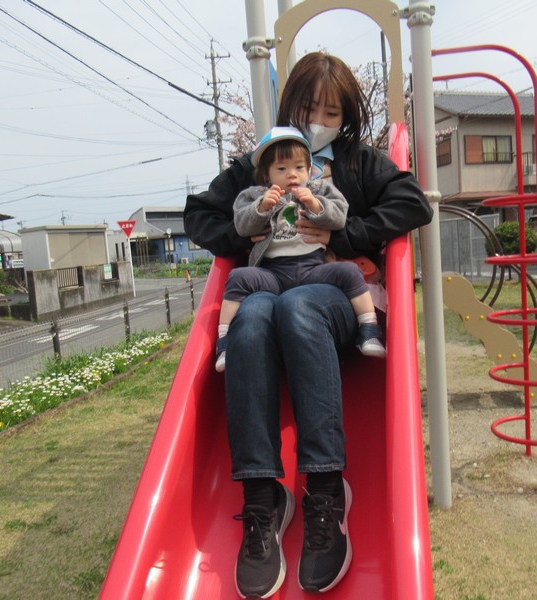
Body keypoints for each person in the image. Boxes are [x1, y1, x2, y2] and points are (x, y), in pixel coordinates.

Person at [183, 51, 433, 598]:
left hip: (329, 298)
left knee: (296, 307)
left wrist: (343, 236)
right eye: (307, 110)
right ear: (288, 108)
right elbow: (199, 214)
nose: (318, 122)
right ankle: (262, 497)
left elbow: (413, 203)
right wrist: (246, 236)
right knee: (251, 318)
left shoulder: (357, 163)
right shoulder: (263, 163)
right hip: (270, 291)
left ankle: (325, 490)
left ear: (345, 118)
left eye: (331, 113)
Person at [215, 125, 386, 373]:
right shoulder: (254, 196)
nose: (291, 174)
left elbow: (339, 216)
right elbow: (241, 225)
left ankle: (369, 331)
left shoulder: (319, 190)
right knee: (238, 277)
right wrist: (260, 208)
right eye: (281, 169)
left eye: (298, 167)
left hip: (313, 269)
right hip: (273, 273)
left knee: (349, 272)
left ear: (309, 170)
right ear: (266, 175)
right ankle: (225, 344)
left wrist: (315, 205)